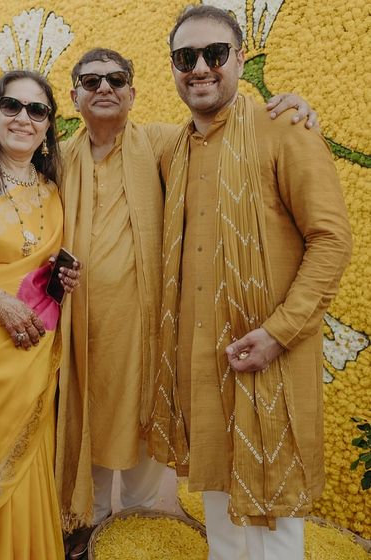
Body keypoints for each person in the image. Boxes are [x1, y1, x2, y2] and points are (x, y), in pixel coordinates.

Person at [54, 47, 320, 559]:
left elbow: (216, 127)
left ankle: (135, 537)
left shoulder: (160, 141)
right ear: (74, 96)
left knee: (140, 458)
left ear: (133, 92)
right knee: (82, 443)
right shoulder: (58, 156)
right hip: (76, 334)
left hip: (146, 336)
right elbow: (10, 168)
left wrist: (290, 107)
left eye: (116, 79)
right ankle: (89, 535)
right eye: (91, 81)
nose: (104, 88)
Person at [149, 5, 352, 560]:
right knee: (223, 525)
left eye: (214, 54)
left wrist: (279, 332)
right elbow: (95, 148)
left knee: (274, 534)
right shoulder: (174, 148)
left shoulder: (283, 128)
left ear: (240, 57)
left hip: (272, 361)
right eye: (185, 57)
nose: (200, 68)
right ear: (173, 67)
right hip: (208, 364)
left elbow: (331, 240)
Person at [0, 70, 79, 559]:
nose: (23, 118)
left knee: (22, 474)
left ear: (49, 126)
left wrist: (62, 278)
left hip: (25, 364)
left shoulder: (51, 188)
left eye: (37, 110)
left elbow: (36, 266)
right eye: (11, 106)